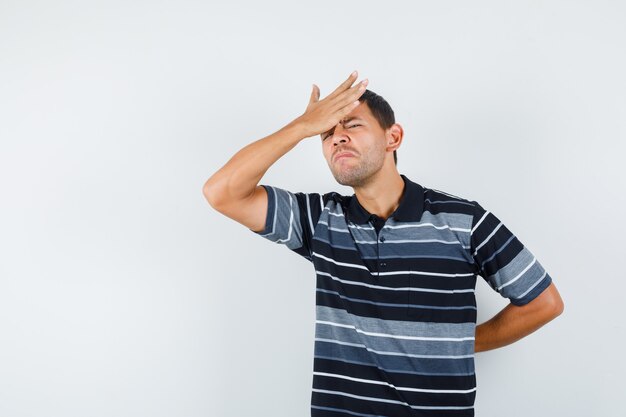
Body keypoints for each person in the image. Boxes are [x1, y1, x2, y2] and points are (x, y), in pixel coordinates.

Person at [202, 70, 564, 417]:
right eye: (326, 134)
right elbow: (222, 192)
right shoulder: (321, 219)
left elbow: (543, 302)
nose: (337, 138)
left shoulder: (463, 220)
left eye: (352, 125)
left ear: (393, 137)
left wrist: (461, 343)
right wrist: (300, 128)